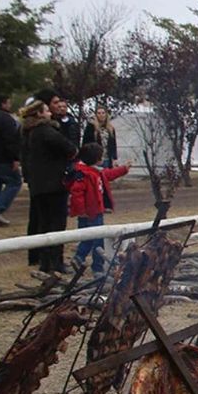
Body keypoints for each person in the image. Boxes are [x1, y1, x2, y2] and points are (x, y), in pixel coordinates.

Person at [20, 99, 77, 274]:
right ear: (39, 114)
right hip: (54, 184)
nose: (50, 113)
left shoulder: (27, 132)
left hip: (38, 184)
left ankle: (44, 262)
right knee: (57, 224)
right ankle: (56, 261)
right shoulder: (46, 131)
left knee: (43, 224)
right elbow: (69, 148)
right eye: (46, 110)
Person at [67, 142, 130, 273]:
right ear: (96, 159)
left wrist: (124, 169)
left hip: (97, 211)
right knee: (94, 240)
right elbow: (76, 194)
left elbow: (110, 174)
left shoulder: (96, 172)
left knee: (91, 238)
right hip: (90, 213)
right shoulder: (83, 174)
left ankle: (86, 261)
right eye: (101, 157)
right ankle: (92, 265)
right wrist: (81, 211)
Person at [0, 94, 22, 227]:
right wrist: (15, 158)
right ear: (3, 104)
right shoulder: (6, 119)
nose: (10, 105)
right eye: (8, 102)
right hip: (3, 158)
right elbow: (11, 140)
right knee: (15, 182)